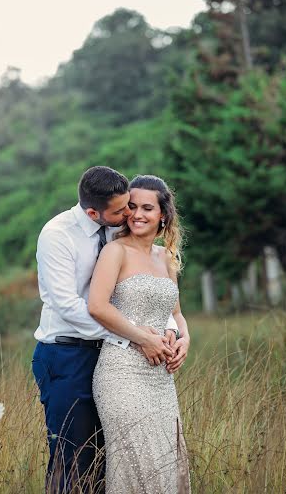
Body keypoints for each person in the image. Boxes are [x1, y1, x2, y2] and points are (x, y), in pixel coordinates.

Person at [32, 166, 181, 493]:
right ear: (92, 212)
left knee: (112, 460)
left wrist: (171, 330)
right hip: (66, 353)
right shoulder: (57, 234)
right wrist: (133, 336)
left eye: (132, 205)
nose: (129, 214)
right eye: (122, 209)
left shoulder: (115, 227)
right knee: (75, 459)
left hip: (112, 357)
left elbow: (146, 289)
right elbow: (68, 306)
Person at [89, 174, 191, 494]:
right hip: (121, 374)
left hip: (161, 379)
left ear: (163, 215)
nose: (137, 214)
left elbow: (175, 314)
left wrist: (185, 339)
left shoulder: (167, 258)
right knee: (140, 465)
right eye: (131, 206)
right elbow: (97, 307)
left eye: (147, 208)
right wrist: (142, 338)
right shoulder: (115, 251)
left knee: (166, 464)